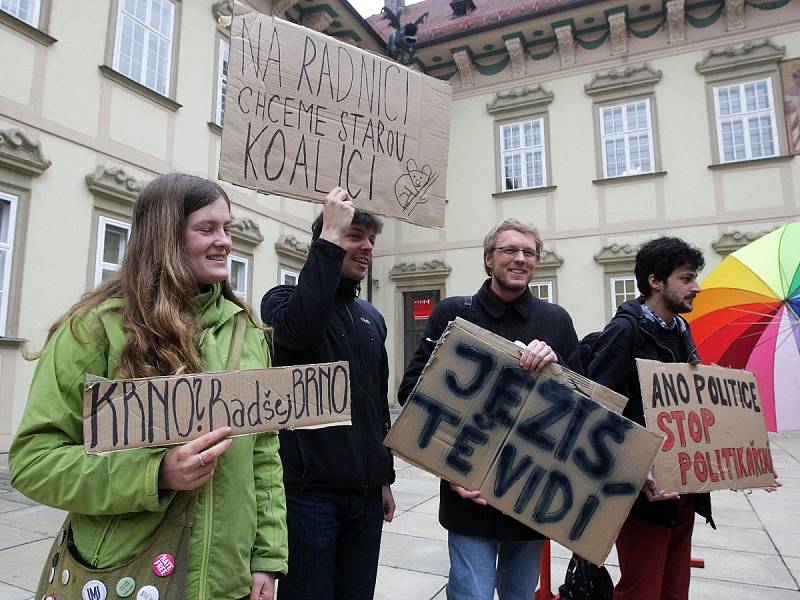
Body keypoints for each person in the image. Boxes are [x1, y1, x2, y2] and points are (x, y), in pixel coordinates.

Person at [9, 173, 288, 600]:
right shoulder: (95, 328)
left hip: (225, 582)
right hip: (130, 575)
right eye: (207, 229)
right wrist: (154, 474)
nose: (225, 242)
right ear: (165, 236)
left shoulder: (246, 332)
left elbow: (264, 456)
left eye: (227, 229)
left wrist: (267, 559)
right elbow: (35, 462)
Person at [398, 218, 582, 600]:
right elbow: (412, 392)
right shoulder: (454, 314)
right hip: (468, 496)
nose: (520, 259)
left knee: (518, 594)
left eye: (529, 252)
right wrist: (451, 468)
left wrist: (557, 364)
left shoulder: (556, 321)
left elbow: (583, 408)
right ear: (488, 259)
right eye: (509, 250)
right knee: (471, 595)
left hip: (527, 501)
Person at [261, 187, 395, 600]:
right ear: (330, 240)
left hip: (366, 499)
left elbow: (375, 406)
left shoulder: (371, 317)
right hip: (310, 498)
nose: (367, 248)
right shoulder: (281, 301)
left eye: (370, 239)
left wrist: (384, 478)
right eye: (355, 236)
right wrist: (330, 238)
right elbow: (300, 334)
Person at [586, 236, 712, 600]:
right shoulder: (624, 331)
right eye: (686, 279)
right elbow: (599, 411)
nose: (696, 287)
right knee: (642, 590)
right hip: (643, 493)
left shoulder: (682, 331)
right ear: (655, 281)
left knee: (675, 589)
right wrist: (636, 470)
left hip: (685, 488)